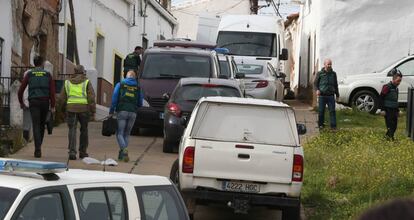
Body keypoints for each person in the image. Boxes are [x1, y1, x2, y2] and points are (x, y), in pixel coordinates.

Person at [18, 55, 56, 158]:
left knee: (35, 124)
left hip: (33, 102)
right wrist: (52, 106)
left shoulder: (29, 75)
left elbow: (20, 90)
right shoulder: (48, 75)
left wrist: (21, 103)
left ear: (34, 63)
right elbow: (52, 93)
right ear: (42, 63)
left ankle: (37, 149)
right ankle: (39, 146)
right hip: (44, 102)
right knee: (42, 124)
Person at [60, 65, 96, 160]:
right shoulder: (86, 82)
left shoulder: (67, 82)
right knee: (84, 130)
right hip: (84, 109)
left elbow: (62, 98)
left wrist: (62, 110)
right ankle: (83, 152)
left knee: (72, 129)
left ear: (74, 72)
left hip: (71, 109)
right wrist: (93, 111)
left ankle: (72, 152)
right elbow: (91, 97)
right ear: (83, 72)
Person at [109, 70, 143, 162]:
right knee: (127, 134)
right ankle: (122, 155)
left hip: (122, 111)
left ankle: (124, 150)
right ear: (134, 77)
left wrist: (111, 111)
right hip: (133, 113)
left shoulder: (120, 84)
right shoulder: (138, 87)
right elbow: (140, 102)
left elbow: (114, 98)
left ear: (126, 76)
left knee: (119, 133)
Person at [314, 58, 339, 130]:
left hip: (331, 96)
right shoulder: (320, 73)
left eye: (330, 64)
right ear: (324, 64)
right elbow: (315, 83)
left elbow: (336, 85)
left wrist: (337, 95)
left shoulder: (333, 74)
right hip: (322, 96)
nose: (329, 65)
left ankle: (333, 126)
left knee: (332, 111)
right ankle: (321, 125)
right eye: (328, 64)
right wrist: (317, 90)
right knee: (321, 111)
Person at [379, 69, 402, 140]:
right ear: (394, 79)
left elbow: (395, 101)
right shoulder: (387, 87)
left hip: (394, 109)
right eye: (398, 81)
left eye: (400, 81)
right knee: (390, 126)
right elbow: (381, 98)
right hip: (387, 109)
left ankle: (387, 138)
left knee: (394, 126)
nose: (399, 82)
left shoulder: (396, 89)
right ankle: (390, 140)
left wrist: (398, 110)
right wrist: (382, 109)